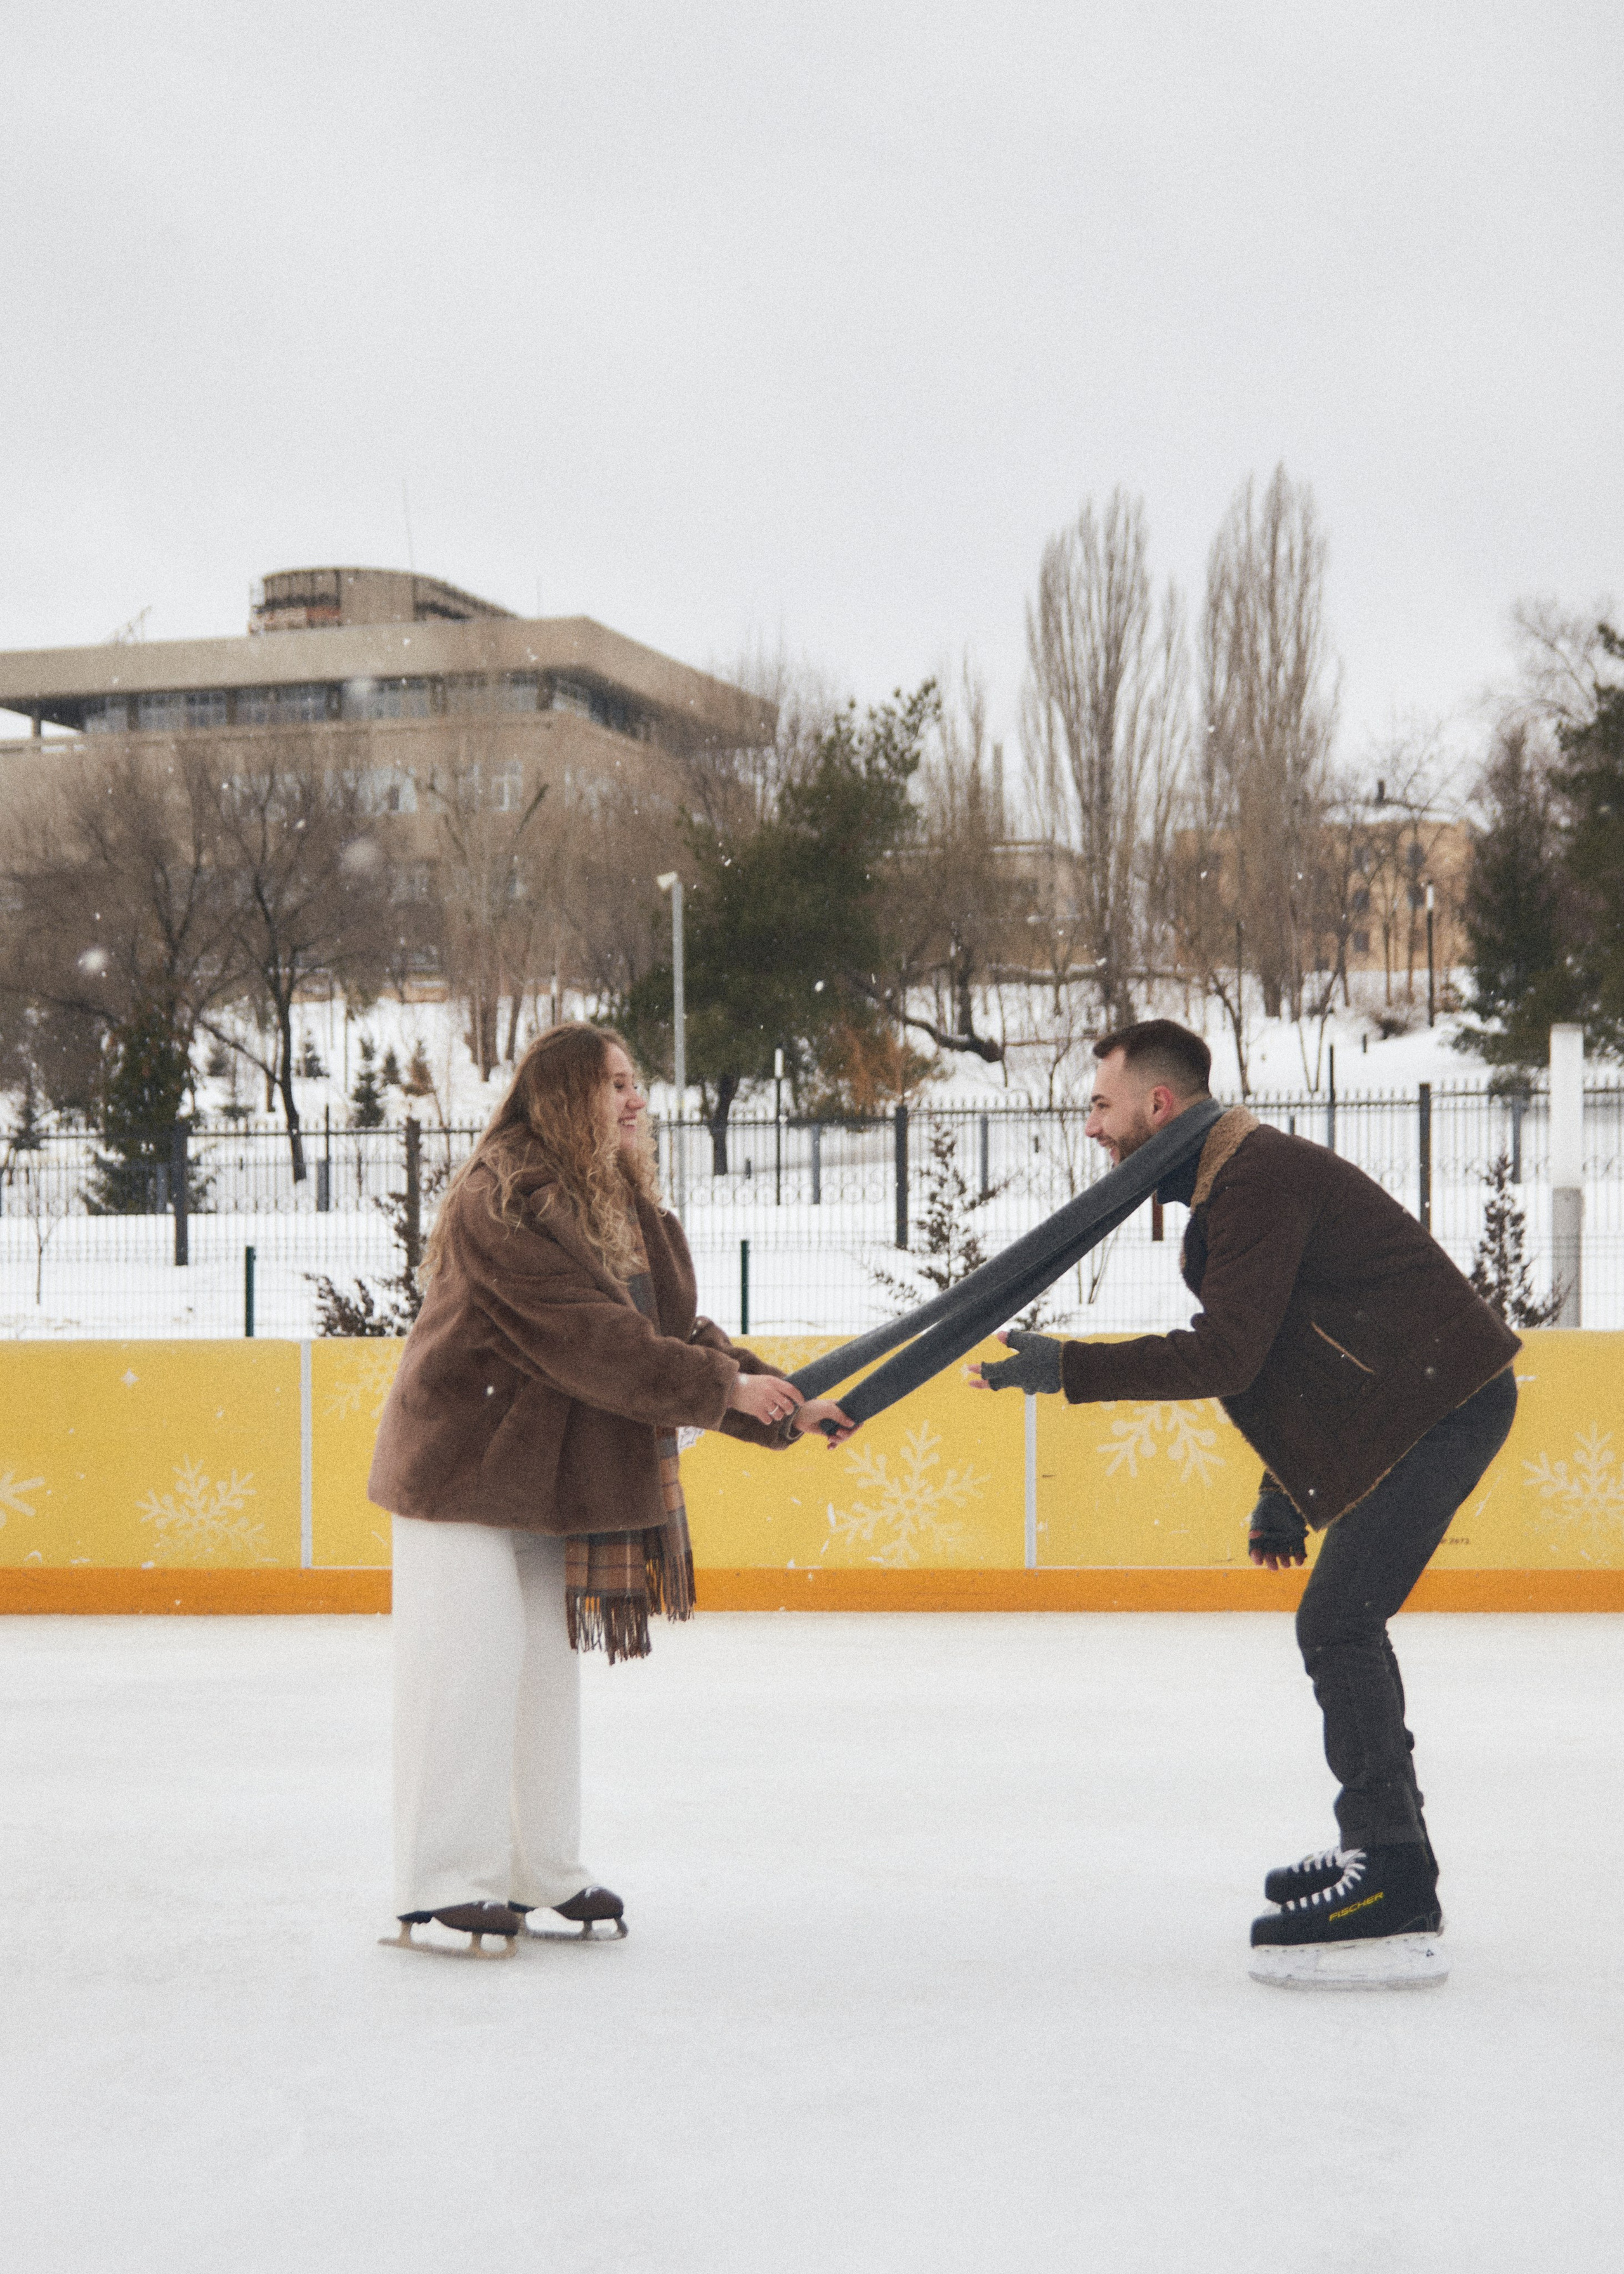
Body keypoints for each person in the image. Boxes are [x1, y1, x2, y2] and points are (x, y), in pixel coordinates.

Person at [971, 1018, 1519, 1974]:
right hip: (1409, 1399)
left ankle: (1391, 1870)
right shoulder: (1233, 1183)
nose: (1091, 1129)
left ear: (1160, 1106)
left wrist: (1069, 1368)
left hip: (1445, 1402)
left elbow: (1228, 1354)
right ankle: (1384, 1848)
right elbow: (1298, 1350)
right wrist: (1283, 1489)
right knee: (1339, 1622)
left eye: (1102, 1106)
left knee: (1338, 1624)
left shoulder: (1255, 1180)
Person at [368, 1022, 850, 1954]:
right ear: (560, 1098)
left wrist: (782, 1404)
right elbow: (592, 1338)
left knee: (542, 1679)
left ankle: (539, 1870)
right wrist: (725, 1391)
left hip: (546, 1479)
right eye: (614, 1085)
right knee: (465, 1672)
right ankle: (441, 1881)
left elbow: (677, 1334)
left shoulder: (627, 1208)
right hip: (460, 1470)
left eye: (637, 1082)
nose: (636, 1100)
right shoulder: (502, 1200)